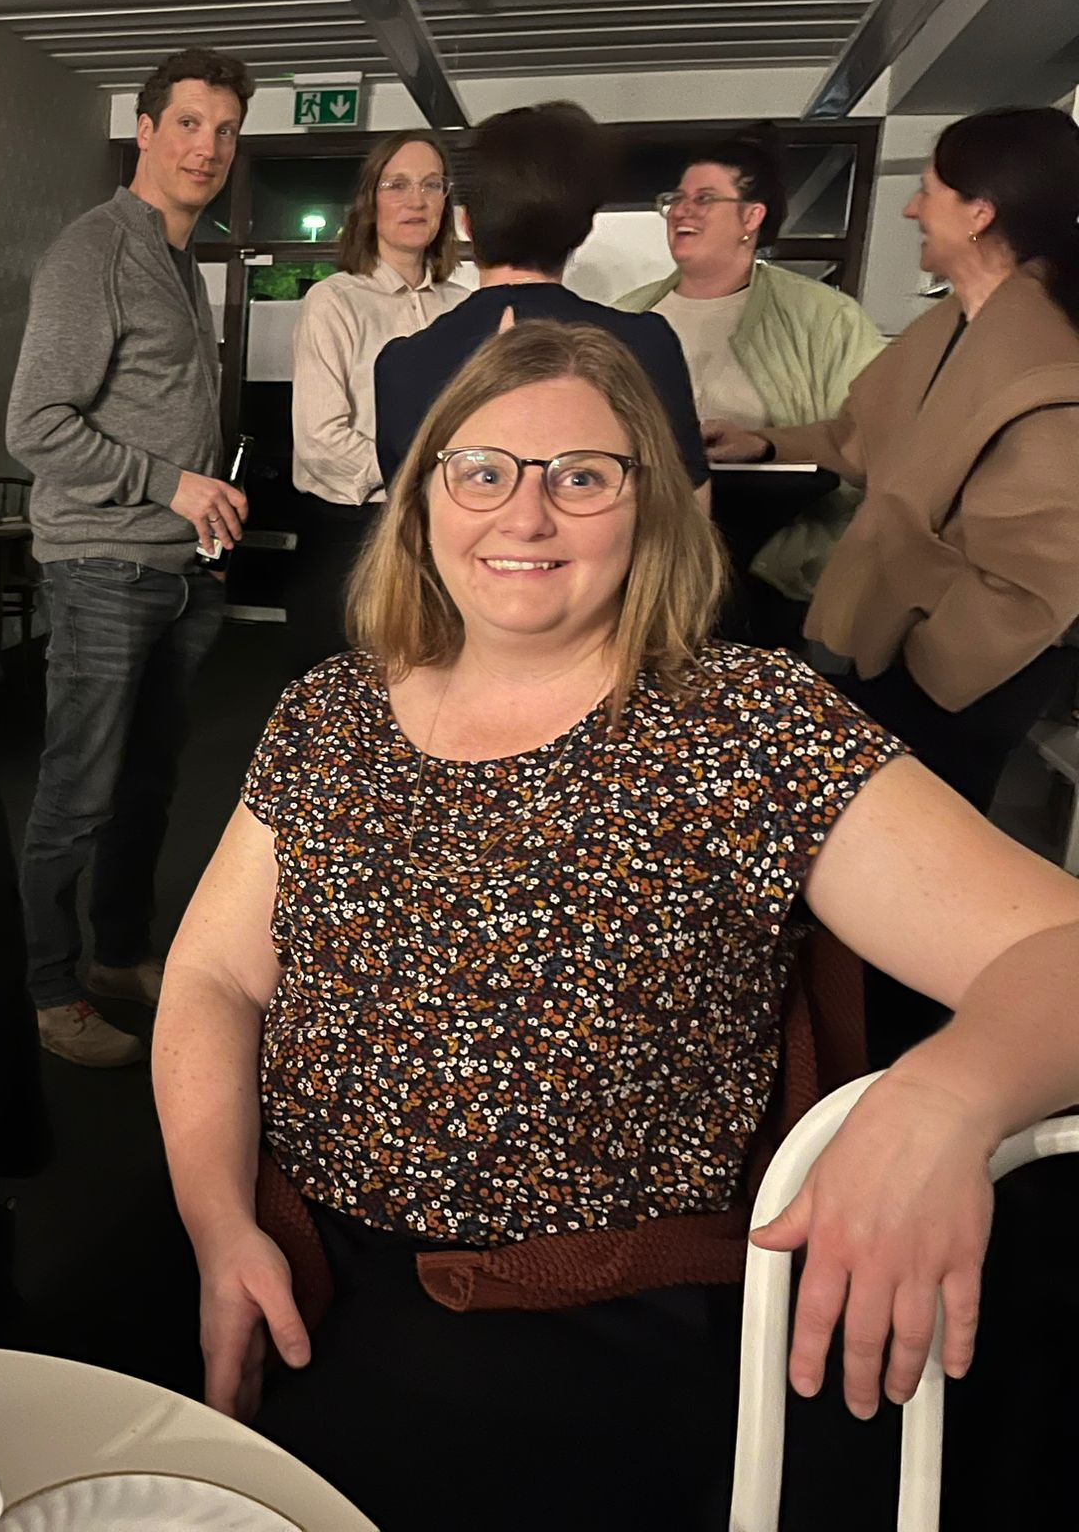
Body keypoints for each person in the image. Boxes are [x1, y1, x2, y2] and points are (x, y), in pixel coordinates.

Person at [155, 319, 1079, 1529]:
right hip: (292, 1257)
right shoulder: (331, 711)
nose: (524, 515)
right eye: (480, 471)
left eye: (580, 478)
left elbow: (1054, 949)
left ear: (650, 509)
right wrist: (218, 1225)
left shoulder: (741, 727)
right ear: (422, 500)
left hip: (576, 1318)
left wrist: (941, 1099)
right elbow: (214, 976)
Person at [706, 106, 1079, 818]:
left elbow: (1032, 579)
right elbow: (865, 437)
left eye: (928, 191)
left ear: (979, 214)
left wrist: (926, 673)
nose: (911, 210)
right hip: (900, 651)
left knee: (923, 839)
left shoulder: (1050, 367)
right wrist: (768, 443)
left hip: (961, 673)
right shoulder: (956, 323)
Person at [5, 47, 253, 1068]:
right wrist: (171, 485)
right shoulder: (96, 248)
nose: (207, 147)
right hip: (102, 566)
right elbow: (34, 424)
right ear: (144, 131)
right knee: (78, 793)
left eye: (225, 131)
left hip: (176, 570)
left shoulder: (177, 259)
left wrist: (200, 505)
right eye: (187, 123)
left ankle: (113, 958)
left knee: (147, 788)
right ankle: (45, 991)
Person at [616, 126, 888, 636]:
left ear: (751, 217)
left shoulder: (824, 318)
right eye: (674, 199)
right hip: (643, 565)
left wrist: (763, 443)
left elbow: (877, 437)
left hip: (772, 575)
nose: (680, 211)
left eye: (704, 198)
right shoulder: (628, 315)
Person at [371, 102, 711, 507]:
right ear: (583, 230)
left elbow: (406, 519)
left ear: (467, 224)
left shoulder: (401, 363)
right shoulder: (646, 343)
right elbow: (689, 510)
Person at [288, 131, 468, 668]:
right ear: (370, 201)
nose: (417, 200)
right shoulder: (335, 301)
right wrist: (420, 478)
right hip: (354, 533)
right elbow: (320, 440)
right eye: (398, 185)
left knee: (435, 681)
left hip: (445, 530)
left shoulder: (465, 307)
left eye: (431, 185)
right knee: (344, 694)